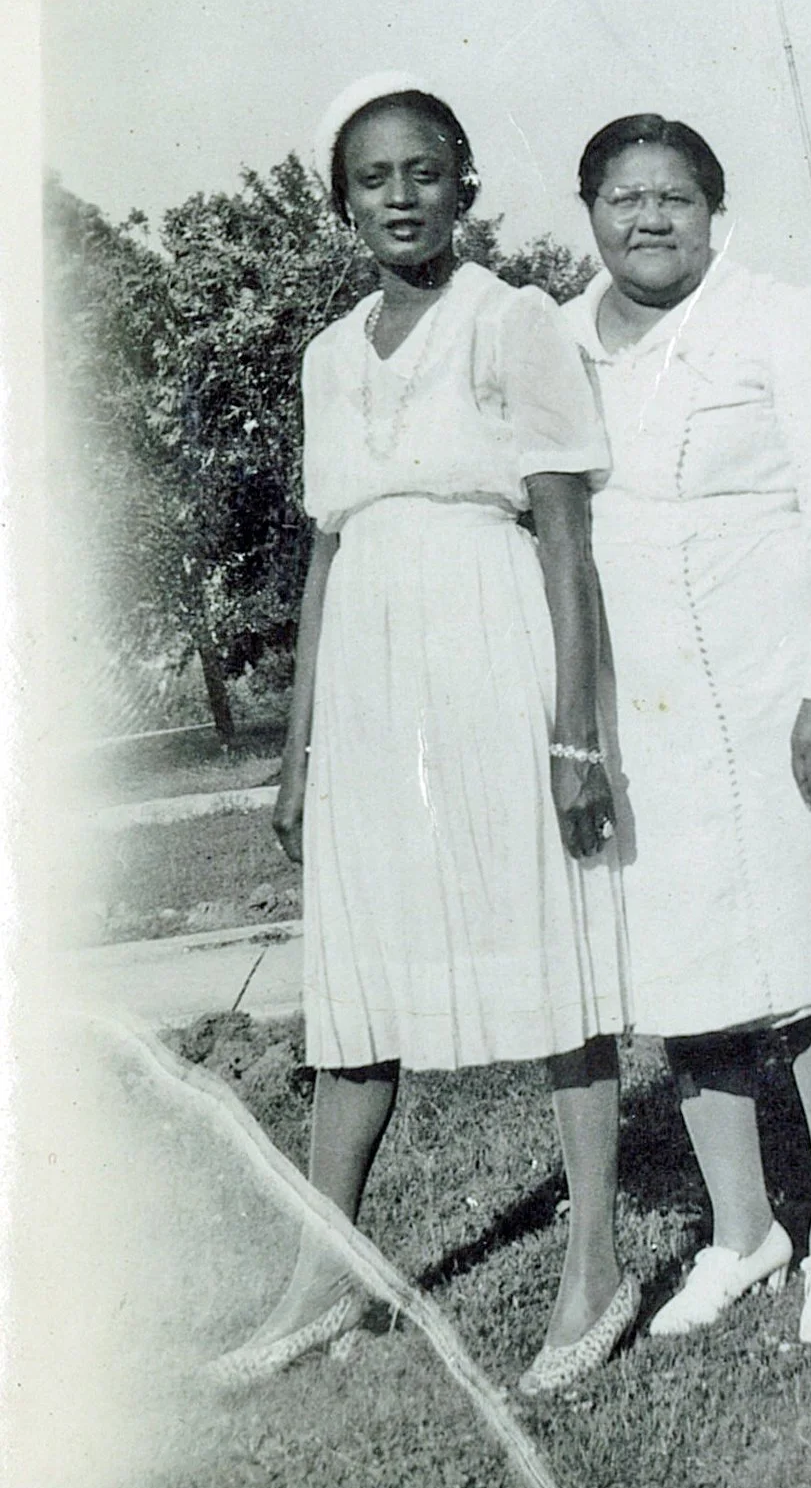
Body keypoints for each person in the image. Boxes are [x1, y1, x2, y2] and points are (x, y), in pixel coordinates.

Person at [211, 74, 637, 1397]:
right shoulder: (328, 356)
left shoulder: (508, 320)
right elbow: (331, 554)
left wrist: (576, 733)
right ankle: (330, 1267)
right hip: (371, 679)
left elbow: (563, 529)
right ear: (344, 205)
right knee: (358, 976)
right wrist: (302, 751)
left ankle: (596, 1267)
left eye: (422, 172)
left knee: (550, 947)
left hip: (492, 644)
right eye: (372, 179)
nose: (399, 196)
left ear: (461, 187)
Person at [562, 114, 811, 1347]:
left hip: (783, 683)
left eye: (676, 196)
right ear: (591, 212)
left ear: (714, 211)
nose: (650, 218)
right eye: (624, 197)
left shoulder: (781, 320)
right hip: (645, 705)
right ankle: (741, 1230)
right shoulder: (561, 343)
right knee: (686, 964)